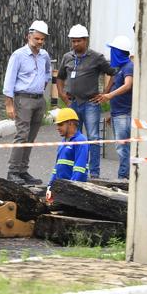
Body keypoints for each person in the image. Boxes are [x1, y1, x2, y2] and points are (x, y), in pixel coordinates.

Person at [57, 24, 113, 179]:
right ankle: (74, 170)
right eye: (73, 41)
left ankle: (94, 173)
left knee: (93, 137)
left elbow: (113, 73)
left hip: (90, 104)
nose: (75, 44)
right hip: (73, 103)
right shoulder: (67, 57)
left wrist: (106, 94)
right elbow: (60, 77)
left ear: (86, 40)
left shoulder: (97, 57)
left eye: (78, 41)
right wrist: (62, 95)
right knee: (73, 137)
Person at [2, 20, 53, 185]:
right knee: (22, 135)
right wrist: (9, 104)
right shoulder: (18, 55)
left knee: (31, 137)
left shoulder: (44, 55)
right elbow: (9, 81)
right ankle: (13, 172)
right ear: (28, 36)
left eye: (42, 39)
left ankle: (23, 171)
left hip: (38, 100)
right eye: (37, 38)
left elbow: (47, 73)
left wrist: (41, 86)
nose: (39, 42)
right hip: (23, 99)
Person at [93, 35, 134, 179]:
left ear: (118, 52)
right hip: (118, 113)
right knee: (122, 147)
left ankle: (124, 177)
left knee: (122, 147)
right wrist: (111, 113)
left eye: (113, 51)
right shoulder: (119, 68)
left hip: (125, 114)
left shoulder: (129, 66)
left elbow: (128, 85)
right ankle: (125, 175)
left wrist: (109, 96)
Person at [46, 107, 89, 201]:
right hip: (62, 188)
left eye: (60, 124)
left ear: (70, 123)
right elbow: (56, 168)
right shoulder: (63, 142)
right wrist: (50, 186)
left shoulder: (81, 141)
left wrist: (71, 189)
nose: (57, 128)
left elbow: (79, 169)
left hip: (73, 191)